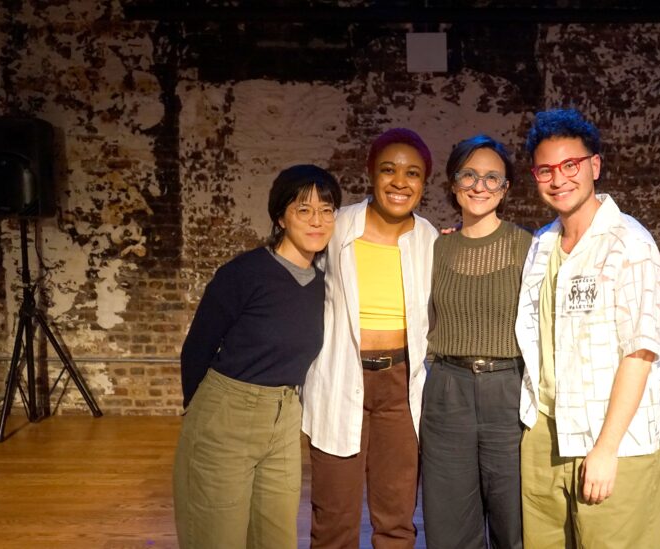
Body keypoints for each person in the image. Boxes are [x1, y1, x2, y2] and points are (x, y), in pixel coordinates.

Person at [515, 109, 660, 548]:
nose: (559, 179)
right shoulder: (542, 244)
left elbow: (640, 353)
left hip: (613, 442)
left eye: (571, 165)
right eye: (546, 169)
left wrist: (606, 448)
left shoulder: (630, 244)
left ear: (595, 166)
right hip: (546, 435)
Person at [173, 164, 342, 549]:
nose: (317, 221)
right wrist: (204, 414)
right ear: (281, 217)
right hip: (227, 415)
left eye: (326, 210)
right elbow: (197, 347)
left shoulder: (323, 282)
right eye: (303, 210)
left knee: (276, 537)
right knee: (217, 538)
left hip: (285, 419)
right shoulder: (245, 273)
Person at [302, 128, 438, 548]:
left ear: (424, 182)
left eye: (413, 173)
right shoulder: (337, 227)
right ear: (371, 172)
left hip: (400, 387)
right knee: (334, 518)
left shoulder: (430, 239)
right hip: (341, 379)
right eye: (389, 169)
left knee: (397, 515)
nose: (400, 182)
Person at [420, 135, 531, 549]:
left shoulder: (528, 247)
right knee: (450, 526)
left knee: (514, 523)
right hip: (448, 391)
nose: (479, 186)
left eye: (491, 178)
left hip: (507, 390)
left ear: (505, 188)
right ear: (453, 183)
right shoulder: (436, 248)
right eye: (468, 175)